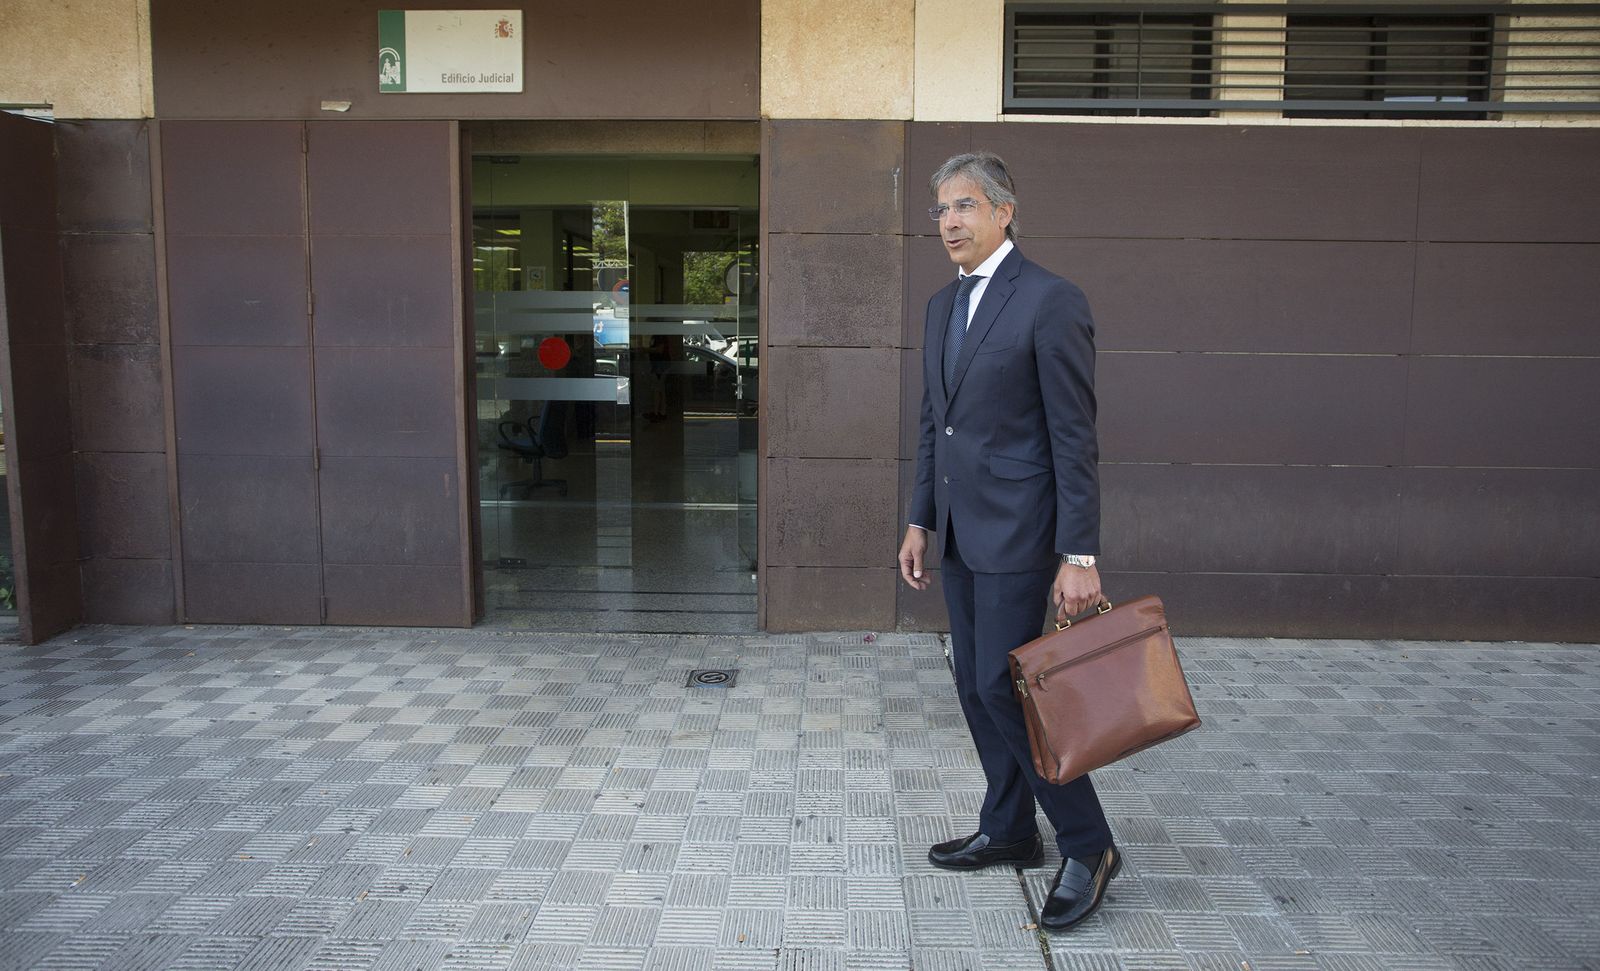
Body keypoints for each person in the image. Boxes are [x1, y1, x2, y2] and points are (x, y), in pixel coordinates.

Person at [898, 151, 1119, 932]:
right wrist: (921, 518)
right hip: (960, 532)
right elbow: (936, 423)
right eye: (940, 209)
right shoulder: (941, 306)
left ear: (1004, 212)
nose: (949, 222)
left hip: (1023, 534)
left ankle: (1089, 843)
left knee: (1006, 685)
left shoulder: (1050, 300)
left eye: (964, 205)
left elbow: (1074, 435)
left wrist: (1080, 554)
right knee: (973, 683)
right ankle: (1011, 828)